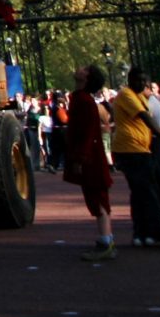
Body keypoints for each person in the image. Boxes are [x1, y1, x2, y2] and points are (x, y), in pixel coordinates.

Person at [110, 69, 160, 246]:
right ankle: (157, 233)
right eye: (139, 80)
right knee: (149, 191)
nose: (143, 84)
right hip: (131, 149)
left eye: (145, 80)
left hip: (139, 148)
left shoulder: (139, 97)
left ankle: (142, 233)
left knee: (139, 193)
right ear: (130, 80)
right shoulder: (126, 94)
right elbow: (144, 117)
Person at [66, 65, 117, 259]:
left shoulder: (85, 102)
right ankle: (106, 238)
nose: (79, 69)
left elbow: (88, 133)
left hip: (90, 158)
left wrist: (80, 158)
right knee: (95, 198)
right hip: (89, 156)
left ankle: (106, 241)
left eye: (85, 70)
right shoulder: (80, 99)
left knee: (98, 198)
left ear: (87, 78)